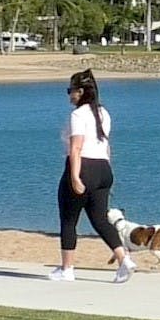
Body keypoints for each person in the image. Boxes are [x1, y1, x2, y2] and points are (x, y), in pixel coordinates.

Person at [49, 68, 136, 283]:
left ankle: (67, 269)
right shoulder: (103, 113)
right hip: (103, 169)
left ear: (80, 92)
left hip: (85, 166)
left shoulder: (78, 115)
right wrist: (106, 176)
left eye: (71, 90)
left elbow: (76, 148)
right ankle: (124, 260)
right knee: (99, 219)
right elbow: (106, 146)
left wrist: (75, 176)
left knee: (69, 220)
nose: (69, 95)